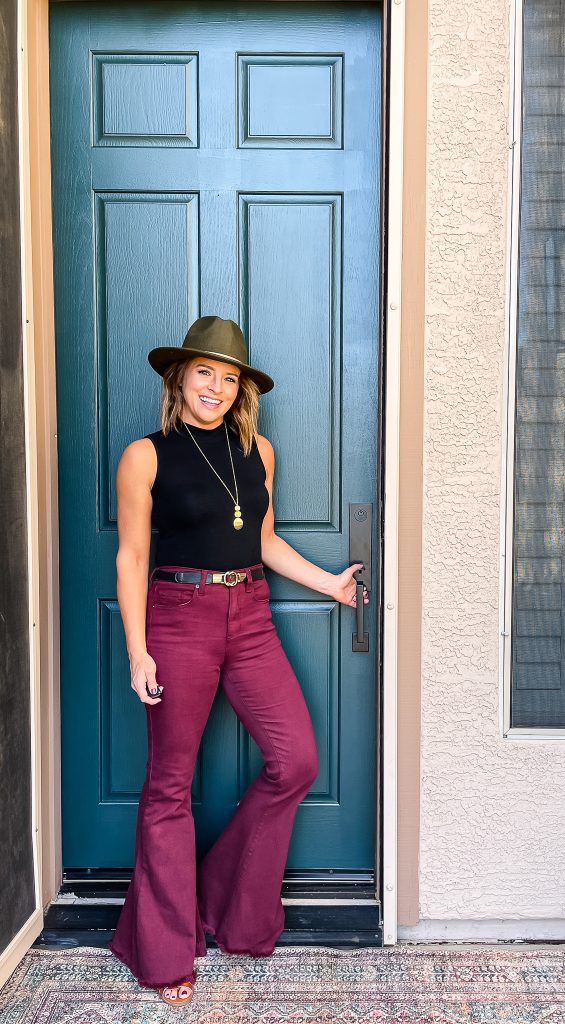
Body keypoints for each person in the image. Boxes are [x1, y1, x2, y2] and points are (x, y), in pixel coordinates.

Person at [107, 316, 368, 1006]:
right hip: (180, 617)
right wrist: (138, 651)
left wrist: (331, 583)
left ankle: (227, 904)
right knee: (170, 786)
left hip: (249, 615)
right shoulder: (146, 456)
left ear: (241, 390)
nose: (216, 388)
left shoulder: (259, 451)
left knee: (297, 761)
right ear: (180, 377)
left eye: (230, 378)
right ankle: (164, 955)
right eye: (204, 373)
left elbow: (266, 540)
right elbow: (132, 557)